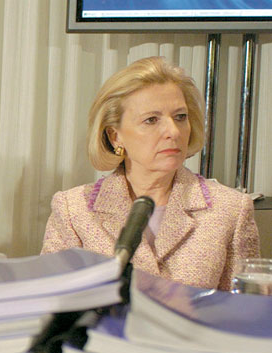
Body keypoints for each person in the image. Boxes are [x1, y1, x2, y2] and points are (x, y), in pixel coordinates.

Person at [41, 56, 259, 290]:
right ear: (116, 136)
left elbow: (245, 313)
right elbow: (50, 302)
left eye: (180, 117)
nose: (173, 131)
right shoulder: (74, 210)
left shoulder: (231, 209)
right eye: (151, 120)